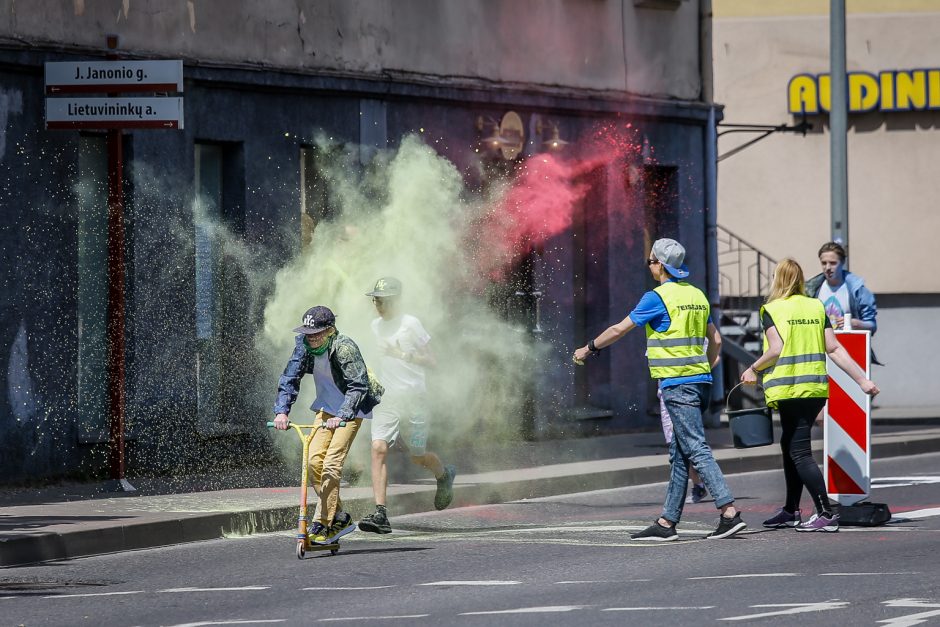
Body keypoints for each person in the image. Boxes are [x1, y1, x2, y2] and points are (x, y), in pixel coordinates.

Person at [574, 238, 746, 541]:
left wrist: (588, 348)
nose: (649, 266)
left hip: (677, 384)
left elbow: (619, 329)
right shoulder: (698, 295)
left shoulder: (657, 298)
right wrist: (702, 368)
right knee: (680, 454)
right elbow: (716, 341)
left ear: (661, 266)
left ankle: (729, 511)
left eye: (651, 261)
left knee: (696, 448)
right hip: (700, 381)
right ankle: (667, 523)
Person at [742, 258, 879, 532]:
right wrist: (862, 380)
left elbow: (776, 348)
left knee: (800, 453)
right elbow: (835, 348)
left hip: (791, 389)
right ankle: (791, 510)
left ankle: (825, 513)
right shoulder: (816, 306)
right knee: (789, 447)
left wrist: (752, 368)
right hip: (814, 388)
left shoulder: (771, 309)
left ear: (777, 279)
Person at [273, 305, 383, 544]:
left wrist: (343, 415)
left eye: (317, 334)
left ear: (331, 330)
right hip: (326, 408)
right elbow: (290, 377)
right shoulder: (303, 345)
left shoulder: (344, 347)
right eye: (308, 334)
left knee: (331, 464)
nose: (312, 339)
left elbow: (358, 386)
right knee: (313, 463)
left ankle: (322, 522)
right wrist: (282, 411)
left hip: (351, 410)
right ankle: (340, 517)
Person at [358, 277, 457, 534]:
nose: (378, 305)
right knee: (378, 448)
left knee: (416, 455)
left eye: (382, 300)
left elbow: (433, 361)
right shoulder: (374, 325)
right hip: (386, 399)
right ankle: (381, 514)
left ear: (395, 300)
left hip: (414, 399)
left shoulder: (410, 324)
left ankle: (443, 475)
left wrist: (401, 354)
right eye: (375, 300)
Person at [804, 242, 877, 334]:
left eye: (833, 263)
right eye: (824, 263)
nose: (828, 267)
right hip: (822, 345)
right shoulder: (812, 289)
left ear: (843, 262)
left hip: (849, 345)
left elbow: (872, 325)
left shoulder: (857, 290)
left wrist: (854, 323)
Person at [657, 388, 708, 504]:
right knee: (679, 445)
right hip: (668, 395)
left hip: (677, 394)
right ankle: (698, 485)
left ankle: (704, 486)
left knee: (688, 444)